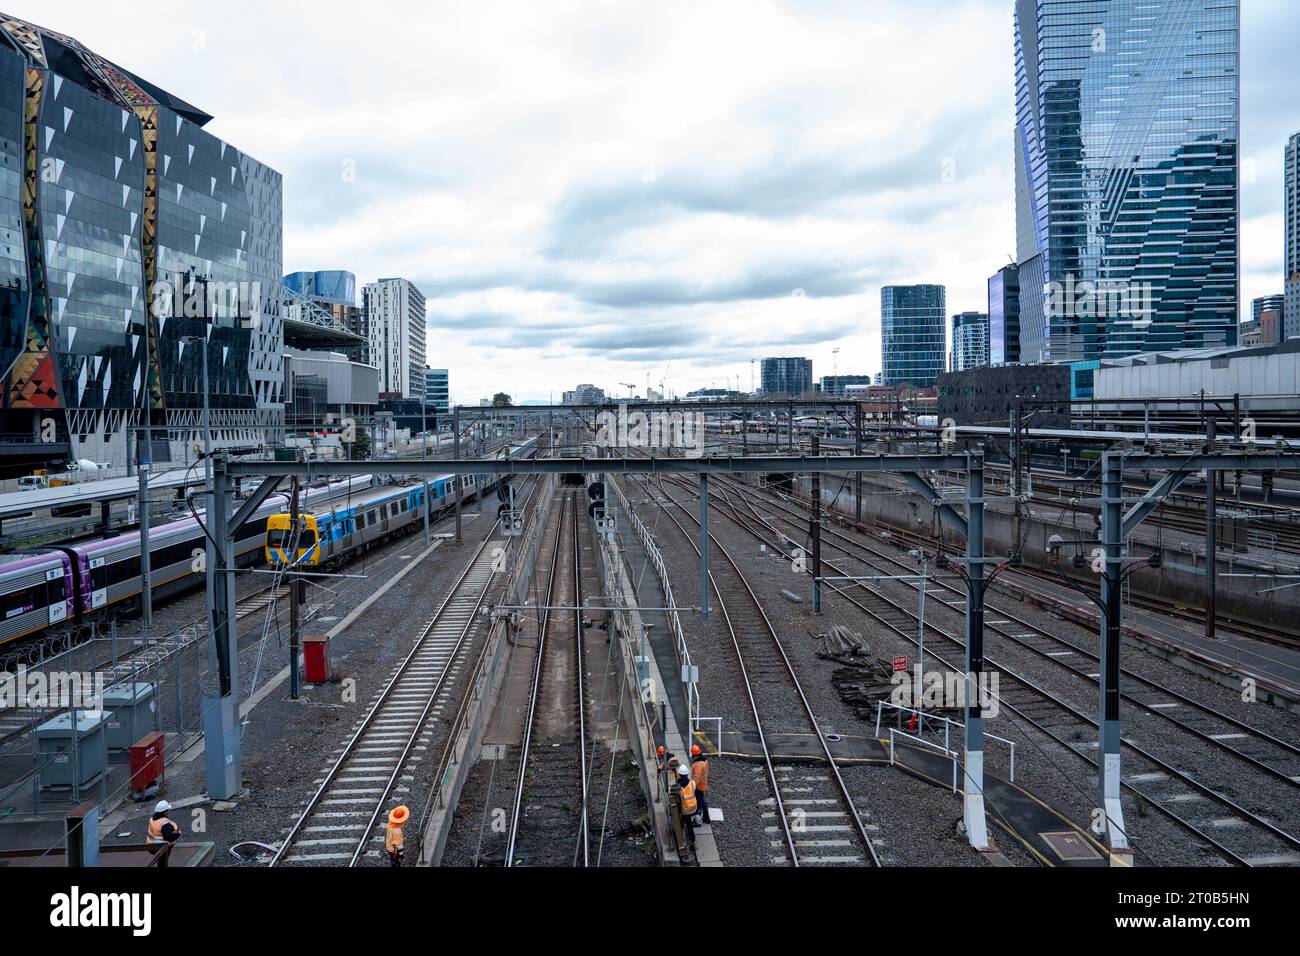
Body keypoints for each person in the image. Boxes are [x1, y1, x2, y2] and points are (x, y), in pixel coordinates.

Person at [676, 764, 698, 853]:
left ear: (679, 774)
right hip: (694, 807)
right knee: (687, 819)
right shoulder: (693, 783)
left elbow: (678, 800)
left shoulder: (678, 787)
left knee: (688, 824)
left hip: (686, 810)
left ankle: (694, 842)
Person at [689, 744, 710, 826]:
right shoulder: (704, 761)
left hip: (698, 786)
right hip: (703, 784)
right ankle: (706, 818)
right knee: (702, 801)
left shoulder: (698, 765)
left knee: (698, 803)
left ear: (694, 754)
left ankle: (698, 822)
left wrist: (692, 788)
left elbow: (696, 779)